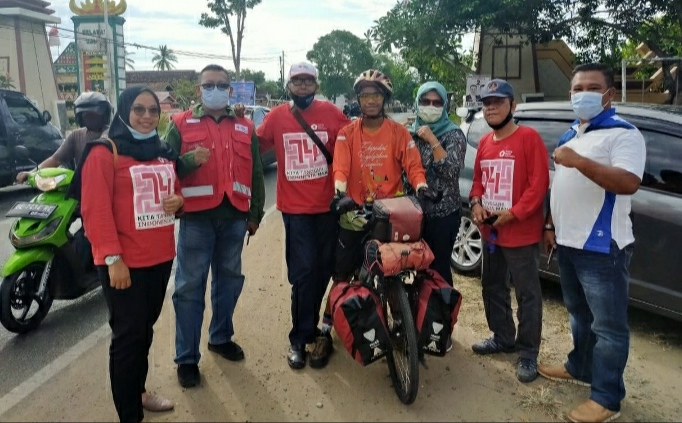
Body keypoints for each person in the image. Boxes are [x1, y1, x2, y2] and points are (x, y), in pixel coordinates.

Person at [539, 63, 646, 423]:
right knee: (578, 315)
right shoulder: (571, 134)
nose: (581, 93)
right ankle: (579, 366)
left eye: (591, 86)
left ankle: (606, 398)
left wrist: (579, 161)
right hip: (568, 243)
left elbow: (628, 182)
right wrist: (550, 225)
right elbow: (559, 185)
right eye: (576, 88)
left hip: (603, 248)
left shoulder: (623, 134)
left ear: (609, 94)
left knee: (608, 327)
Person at [77, 86, 183, 423]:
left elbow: (176, 193)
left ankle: (138, 392)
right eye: (139, 109)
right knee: (127, 339)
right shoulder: (103, 151)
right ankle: (129, 415)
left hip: (160, 258)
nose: (147, 116)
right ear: (124, 111)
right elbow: (94, 211)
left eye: (153, 110)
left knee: (144, 331)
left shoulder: (163, 150)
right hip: (124, 264)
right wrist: (112, 259)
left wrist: (178, 202)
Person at [164, 64, 266, 388]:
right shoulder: (179, 123)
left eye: (222, 85)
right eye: (209, 85)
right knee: (189, 288)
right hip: (196, 220)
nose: (216, 90)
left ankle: (220, 338)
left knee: (229, 282)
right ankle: (187, 358)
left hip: (235, 218)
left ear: (231, 90)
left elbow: (256, 173)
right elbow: (163, 169)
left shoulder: (245, 127)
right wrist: (186, 162)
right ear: (199, 90)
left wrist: (256, 214)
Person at [256, 61, 350, 370]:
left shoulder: (333, 115)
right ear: (289, 86)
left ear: (316, 84)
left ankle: (321, 331)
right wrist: (237, 123)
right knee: (303, 273)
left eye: (308, 81)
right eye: (297, 81)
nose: (303, 86)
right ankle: (299, 339)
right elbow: (255, 145)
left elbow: (352, 147)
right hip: (295, 211)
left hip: (328, 208)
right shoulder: (276, 117)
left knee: (325, 270)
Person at [327, 69, 429, 323]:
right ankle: (327, 328)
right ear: (358, 100)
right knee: (342, 274)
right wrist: (340, 194)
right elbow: (340, 167)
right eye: (365, 95)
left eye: (376, 95)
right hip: (354, 213)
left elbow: (413, 166)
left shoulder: (399, 133)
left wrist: (422, 187)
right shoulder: (347, 134)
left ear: (385, 98)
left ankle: (399, 325)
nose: (370, 100)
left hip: (390, 215)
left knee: (393, 270)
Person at [468, 79, 549, 383]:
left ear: (512, 106)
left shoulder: (529, 139)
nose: (491, 108)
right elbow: (478, 181)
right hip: (492, 234)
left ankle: (528, 353)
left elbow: (538, 185)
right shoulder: (486, 143)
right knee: (491, 287)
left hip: (521, 235)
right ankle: (502, 337)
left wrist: (513, 214)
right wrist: (476, 204)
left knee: (528, 296)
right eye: (487, 103)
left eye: (498, 102)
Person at [407, 81, 467, 288]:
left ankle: (440, 317)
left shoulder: (454, 134)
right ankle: (412, 316)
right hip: (413, 215)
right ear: (417, 103)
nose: (430, 106)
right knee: (412, 269)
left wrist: (433, 140)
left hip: (442, 216)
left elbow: (450, 171)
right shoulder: (409, 134)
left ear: (444, 106)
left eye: (436, 102)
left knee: (437, 271)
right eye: (425, 101)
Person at [16, 91, 111, 182]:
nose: (89, 117)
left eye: (93, 114)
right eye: (86, 115)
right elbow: (56, 159)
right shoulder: (76, 136)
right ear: (80, 117)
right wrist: (32, 173)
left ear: (104, 115)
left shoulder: (112, 134)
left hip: (108, 183)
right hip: (82, 185)